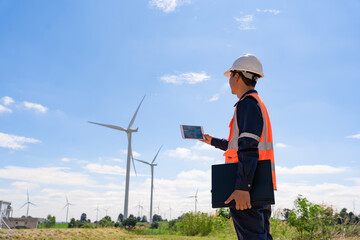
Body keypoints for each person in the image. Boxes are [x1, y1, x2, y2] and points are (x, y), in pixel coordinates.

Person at [200, 54, 276, 240]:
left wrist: (243, 188)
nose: (229, 81)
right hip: (260, 183)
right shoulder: (255, 103)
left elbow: (248, 148)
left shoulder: (247, 104)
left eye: (231, 76)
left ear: (238, 76)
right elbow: (241, 145)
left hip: (247, 189)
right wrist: (212, 141)